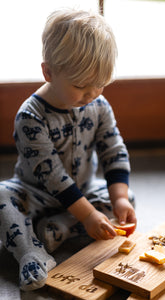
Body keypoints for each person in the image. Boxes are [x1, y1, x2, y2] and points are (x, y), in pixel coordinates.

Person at [0, 8, 136, 291]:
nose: (91, 94)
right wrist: (87, 216)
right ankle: (31, 252)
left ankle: (56, 229)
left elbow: (113, 149)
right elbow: (53, 177)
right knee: (1, 196)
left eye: (99, 85)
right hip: (34, 193)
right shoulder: (30, 117)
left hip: (83, 190)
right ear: (48, 72)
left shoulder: (99, 106)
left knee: (126, 198)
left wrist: (119, 198)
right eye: (81, 86)